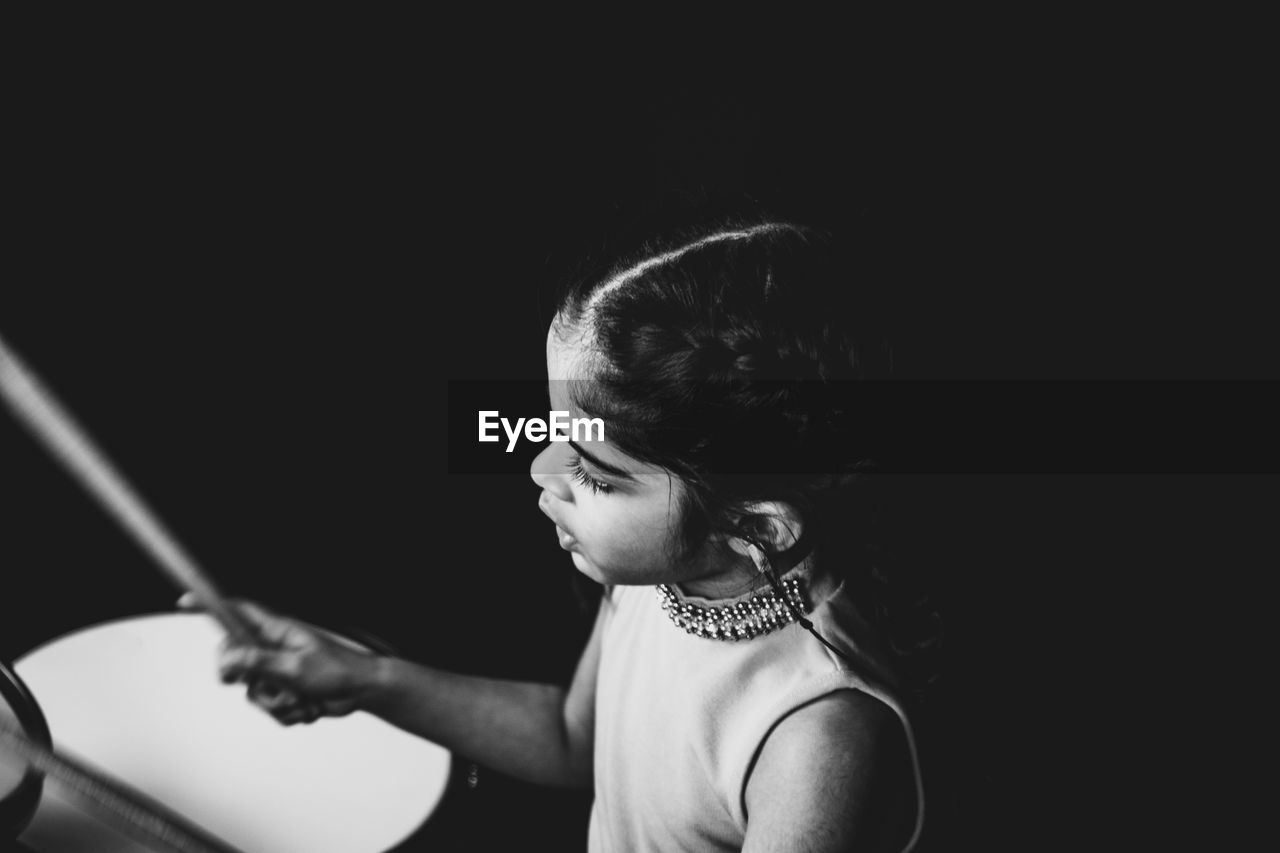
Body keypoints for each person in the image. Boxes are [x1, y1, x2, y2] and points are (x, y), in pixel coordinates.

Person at [197, 215, 941, 852]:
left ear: (753, 524)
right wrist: (363, 678)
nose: (542, 470)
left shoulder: (819, 735)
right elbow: (571, 738)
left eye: (594, 470)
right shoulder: (659, 577)